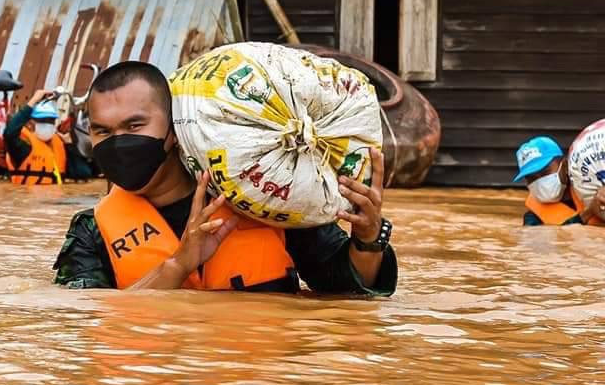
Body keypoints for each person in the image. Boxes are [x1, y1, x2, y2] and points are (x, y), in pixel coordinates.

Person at [53, 61, 397, 294]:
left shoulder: (263, 196)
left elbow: (350, 295)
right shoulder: (91, 230)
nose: (118, 143)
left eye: (134, 126)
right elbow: (87, 318)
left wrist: (367, 238)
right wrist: (178, 265)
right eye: (102, 131)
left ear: (172, 130)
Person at [4, 89, 92, 185]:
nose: (47, 123)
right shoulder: (23, 149)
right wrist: (33, 101)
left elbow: (83, 173)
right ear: (31, 123)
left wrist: (70, 146)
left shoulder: (59, 144)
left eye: (51, 121)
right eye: (42, 120)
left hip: (54, 199)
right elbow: (9, 133)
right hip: (28, 198)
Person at [514, 136, 605, 226]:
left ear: (564, 166)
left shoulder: (590, 185)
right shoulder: (532, 219)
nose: (540, 181)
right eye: (531, 178)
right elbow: (561, 236)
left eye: (545, 172)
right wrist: (589, 212)